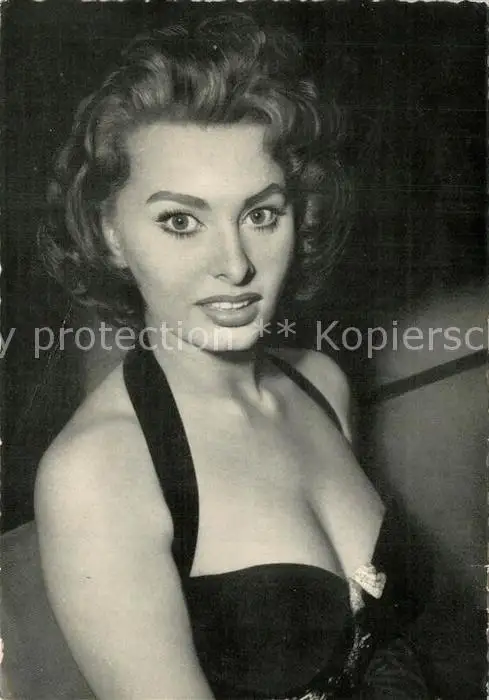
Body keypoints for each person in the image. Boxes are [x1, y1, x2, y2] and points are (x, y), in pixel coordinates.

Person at [35, 13, 431, 699]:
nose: (236, 264)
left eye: (260, 214)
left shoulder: (320, 382)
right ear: (110, 234)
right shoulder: (98, 472)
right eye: (180, 221)